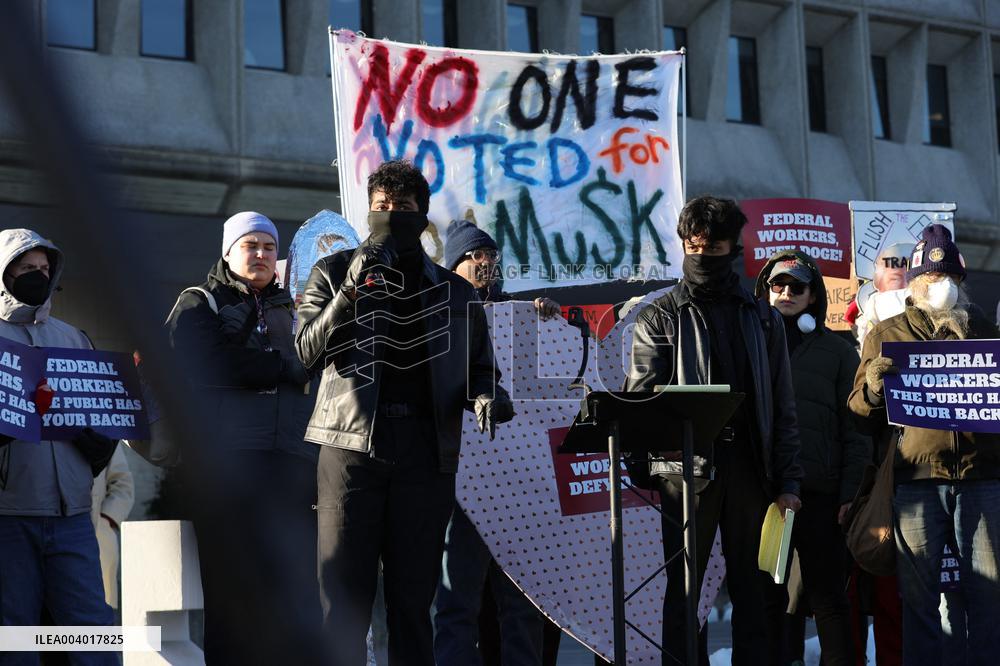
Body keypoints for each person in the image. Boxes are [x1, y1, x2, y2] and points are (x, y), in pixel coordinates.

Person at [296, 160, 514, 666]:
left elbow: (482, 367)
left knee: (413, 605)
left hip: (424, 453)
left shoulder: (453, 290)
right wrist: (352, 286)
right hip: (350, 450)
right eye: (381, 209)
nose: (391, 217)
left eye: (403, 208)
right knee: (343, 603)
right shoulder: (331, 271)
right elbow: (306, 353)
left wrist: (484, 395)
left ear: (422, 215)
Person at [625, 196, 803, 665]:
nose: (702, 255)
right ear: (683, 244)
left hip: (750, 470)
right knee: (684, 594)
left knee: (756, 591)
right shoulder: (659, 315)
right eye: (693, 245)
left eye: (714, 246)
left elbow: (783, 407)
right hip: (685, 474)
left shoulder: (763, 317)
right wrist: (649, 470)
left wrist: (787, 482)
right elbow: (641, 401)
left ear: (734, 247)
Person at [166, 212, 322, 666]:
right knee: (231, 596)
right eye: (249, 245)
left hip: (293, 465)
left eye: (269, 247)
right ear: (228, 252)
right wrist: (280, 368)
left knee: (293, 592)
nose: (260, 254)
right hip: (227, 468)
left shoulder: (298, 306)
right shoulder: (199, 302)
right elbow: (200, 363)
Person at [849, 224, 1000, 665]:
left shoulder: (985, 331)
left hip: (982, 480)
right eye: (933, 280)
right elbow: (858, 413)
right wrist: (875, 388)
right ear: (915, 283)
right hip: (915, 484)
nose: (943, 289)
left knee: (988, 600)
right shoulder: (888, 335)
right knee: (918, 601)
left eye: (950, 280)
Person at [433, 219, 559, 666]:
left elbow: (557, 381)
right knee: (456, 602)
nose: (486, 263)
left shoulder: (519, 317)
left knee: (523, 604)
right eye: (475, 256)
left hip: (518, 481)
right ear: (454, 265)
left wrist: (546, 317)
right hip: (461, 485)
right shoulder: (437, 313)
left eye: (491, 255)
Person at [0, 229, 118, 665]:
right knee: (15, 636)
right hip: (9, 514)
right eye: (27, 269)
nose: (38, 276)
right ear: (4, 273)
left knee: (91, 632)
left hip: (72, 514)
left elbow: (101, 425)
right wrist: (20, 418)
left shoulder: (74, 338)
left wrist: (96, 435)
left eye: (45, 270)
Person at [754, 251, 870, 666]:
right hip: (763, 493)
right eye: (777, 285)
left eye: (797, 287)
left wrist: (849, 493)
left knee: (828, 600)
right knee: (769, 600)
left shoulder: (838, 352)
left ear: (813, 296)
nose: (786, 293)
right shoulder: (748, 344)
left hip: (820, 493)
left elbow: (855, 429)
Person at [90, 446, 134, 611]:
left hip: (97, 534)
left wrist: (106, 520)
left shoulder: (99, 424)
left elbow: (123, 485)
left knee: (100, 611)